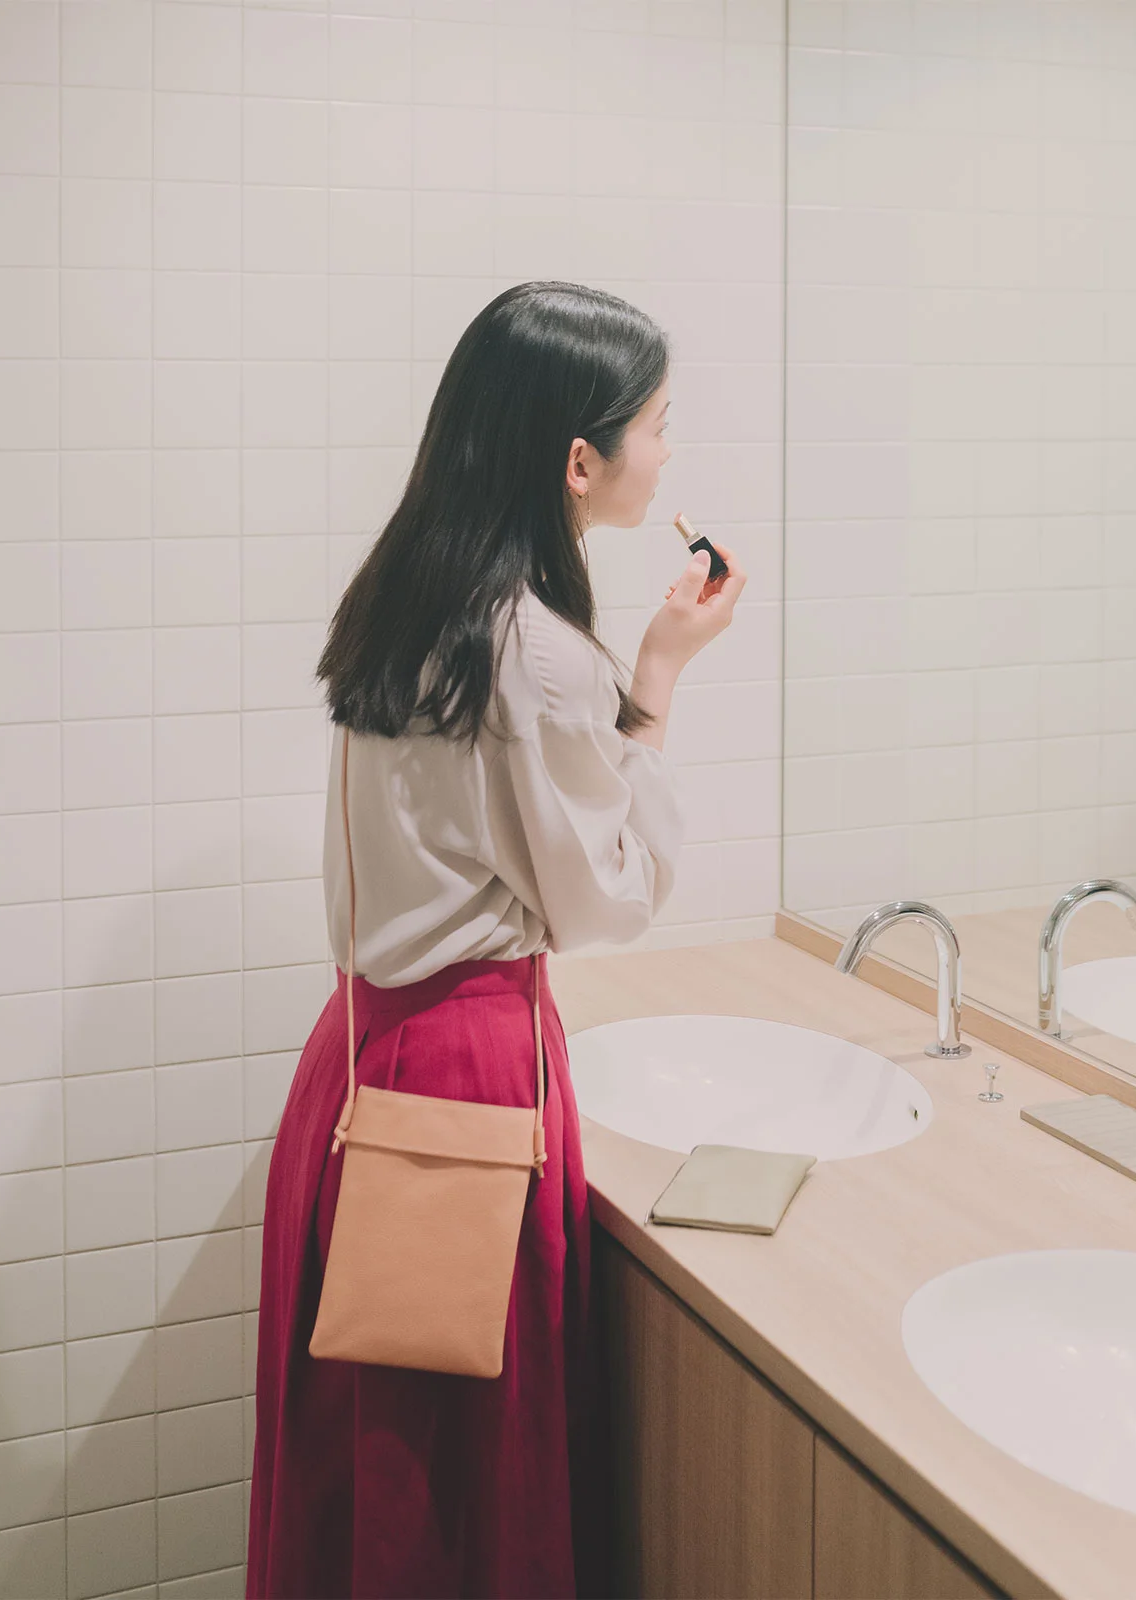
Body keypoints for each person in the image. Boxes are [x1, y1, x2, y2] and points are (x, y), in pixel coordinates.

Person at [246, 282, 747, 1597]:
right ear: (580, 460)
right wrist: (658, 680)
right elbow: (605, 897)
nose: (667, 451)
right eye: (656, 424)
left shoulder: (410, 595)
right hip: (465, 1085)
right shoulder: (538, 650)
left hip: (359, 1065)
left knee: (368, 1476)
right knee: (457, 1490)